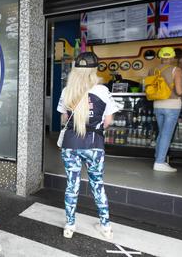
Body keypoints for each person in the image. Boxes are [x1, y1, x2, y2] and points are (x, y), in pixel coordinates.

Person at [57, 51, 118, 240]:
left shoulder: (67, 91)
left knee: (71, 184)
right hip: (94, 144)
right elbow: (108, 121)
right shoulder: (102, 91)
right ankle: (106, 226)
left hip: (71, 144)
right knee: (97, 184)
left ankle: (69, 225)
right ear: (94, 70)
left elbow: (64, 118)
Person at [150, 47, 182, 173]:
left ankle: (159, 158)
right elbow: (179, 91)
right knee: (166, 134)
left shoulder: (152, 70)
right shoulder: (177, 70)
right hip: (172, 105)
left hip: (157, 105)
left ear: (160, 57)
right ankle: (159, 162)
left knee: (161, 133)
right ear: (172, 57)